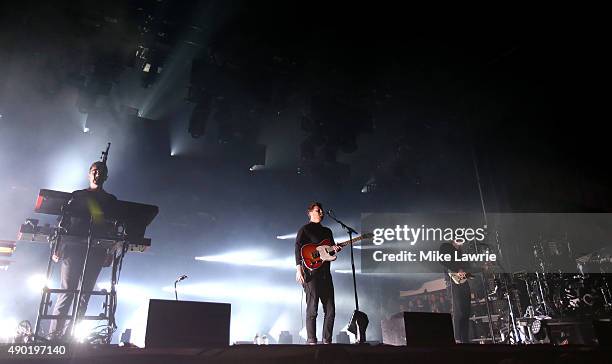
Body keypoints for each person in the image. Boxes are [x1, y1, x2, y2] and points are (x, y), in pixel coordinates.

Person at [49, 161, 118, 339]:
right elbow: (63, 222)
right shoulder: (77, 196)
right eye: (94, 171)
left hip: (96, 250)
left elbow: (114, 228)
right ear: (89, 174)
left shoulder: (110, 201)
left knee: (84, 295)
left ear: (106, 176)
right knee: (67, 292)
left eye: (101, 172)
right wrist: (57, 246)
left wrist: (110, 251)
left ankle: (70, 337)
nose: (97, 174)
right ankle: (54, 336)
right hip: (72, 248)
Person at [295, 202, 341, 344]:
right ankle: (311, 340)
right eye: (317, 210)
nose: (321, 212)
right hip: (311, 274)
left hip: (326, 274)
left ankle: (327, 340)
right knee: (312, 309)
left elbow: (330, 255)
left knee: (330, 310)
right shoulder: (305, 229)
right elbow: (298, 248)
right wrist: (299, 268)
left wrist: (335, 250)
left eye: (321, 210)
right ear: (310, 213)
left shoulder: (328, 231)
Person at [439, 239, 472, 343]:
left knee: (465, 312)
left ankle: (464, 339)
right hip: (453, 284)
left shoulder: (460, 255)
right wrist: (459, 271)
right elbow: (446, 264)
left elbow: (464, 274)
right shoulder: (447, 250)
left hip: (461, 283)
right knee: (459, 312)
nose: (461, 244)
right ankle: (457, 339)